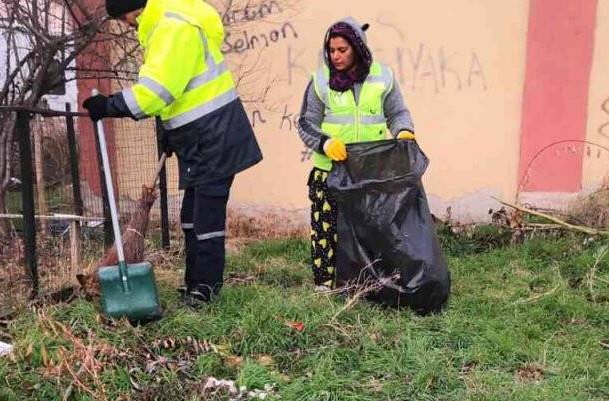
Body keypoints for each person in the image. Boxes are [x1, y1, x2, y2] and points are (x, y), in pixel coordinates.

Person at [83, 0, 262, 305]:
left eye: (130, 18)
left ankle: (205, 290)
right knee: (190, 216)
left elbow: (155, 94)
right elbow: (180, 93)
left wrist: (109, 105)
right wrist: (170, 133)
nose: (130, 25)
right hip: (199, 137)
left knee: (205, 217)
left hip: (214, 137)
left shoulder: (172, 29)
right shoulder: (163, 29)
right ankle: (194, 283)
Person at [297, 18, 415, 290]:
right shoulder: (320, 81)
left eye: (342, 50)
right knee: (327, 228)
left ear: (358, 49)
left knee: (371, 229)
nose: (334, 56)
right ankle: (325, 284)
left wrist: (403, 131)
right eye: (331, 49)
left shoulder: (383, 77)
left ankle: (368, 283)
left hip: (371, 172)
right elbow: (305, 123)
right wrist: (324, 143)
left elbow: (397, 112)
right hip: (330, 170)